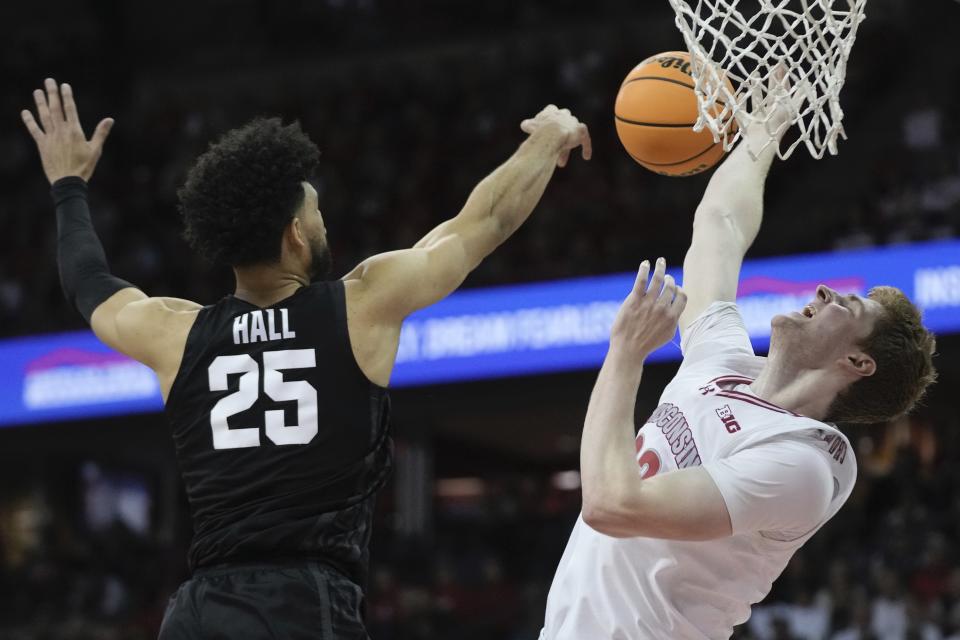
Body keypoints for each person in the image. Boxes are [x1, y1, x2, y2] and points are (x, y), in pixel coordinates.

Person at [20, 77, 591, 639]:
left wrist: (68, 183)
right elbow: (483, 223)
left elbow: (87, 280)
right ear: (295, 234)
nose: (324, 223)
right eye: (316, 213)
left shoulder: (174, 332)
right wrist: (547, 138)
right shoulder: (363, 304)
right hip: (301, 603)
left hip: (198, 612)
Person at [540, 81, 937, 639]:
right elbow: (719, 225)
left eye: (846, 306)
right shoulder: (722, 359)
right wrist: (762, 132)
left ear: (857, 361)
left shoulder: (803, 466)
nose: (823, 292)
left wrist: (626, 353)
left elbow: (611, 505)